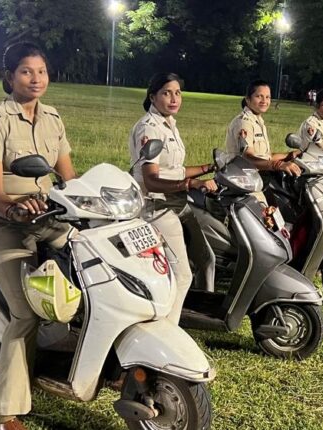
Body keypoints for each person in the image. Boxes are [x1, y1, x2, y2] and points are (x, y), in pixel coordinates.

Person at [0, 42, 76, 430]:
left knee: (97, 270)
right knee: (24, 312)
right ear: (9, 77)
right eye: (26, 71)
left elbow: (69, 176)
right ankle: (4, 414)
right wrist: (12, 208)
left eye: (41, 71)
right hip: (5, 223)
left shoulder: (53, 117)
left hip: (49, 217)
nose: (36, 78)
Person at [129, 72, 217, 324]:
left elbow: (174, 169)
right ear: (153, 97)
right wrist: (191, 184)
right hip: (157, 206)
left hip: (176, 203)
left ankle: (200, 313)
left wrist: (206, 168)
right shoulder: (149, 128)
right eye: (166, 93)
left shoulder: (169, 125)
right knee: (182, 275)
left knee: (205, 257)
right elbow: (151, 179)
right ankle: (168, 330)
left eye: (177, 93)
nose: (173, 98)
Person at [225, 80, 301, 176]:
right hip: (244, 179)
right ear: (248, 99)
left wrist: (290, 155)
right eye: (259, 96)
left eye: (267, 97)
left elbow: (266, 157)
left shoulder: (258, 121)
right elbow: (247, 158)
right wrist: (278, 165)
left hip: (259, 176)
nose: (264, 101)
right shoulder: (244, 122)